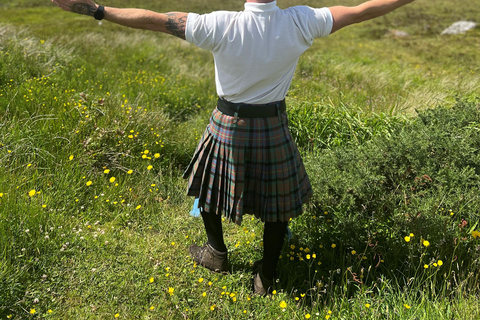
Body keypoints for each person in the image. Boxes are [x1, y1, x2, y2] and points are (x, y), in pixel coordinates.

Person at [51, 0, 415, 295]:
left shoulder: (220, 24)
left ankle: (216, 253)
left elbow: (154, 19)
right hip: (273, 124)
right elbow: (363, 10)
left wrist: (96, 9)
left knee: (208, 186)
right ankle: (266, 277)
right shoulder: (302, 21)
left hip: (228, 123)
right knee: (278, 204)